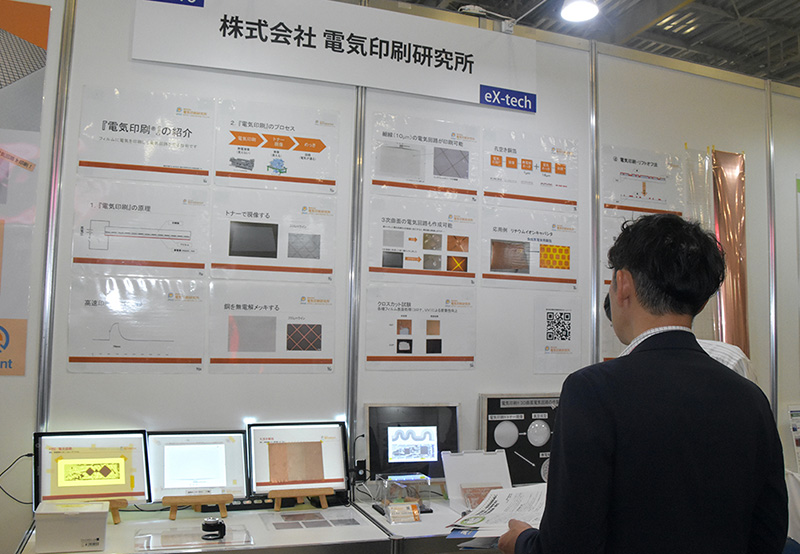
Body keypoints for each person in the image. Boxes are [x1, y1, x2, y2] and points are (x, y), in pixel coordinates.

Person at [499, 213, 787, 554]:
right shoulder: (750, 397)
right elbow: (770, 533)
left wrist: (521, 542)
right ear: (701, 300)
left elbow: (568, 545)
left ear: (623, 285)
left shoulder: (591, 391)